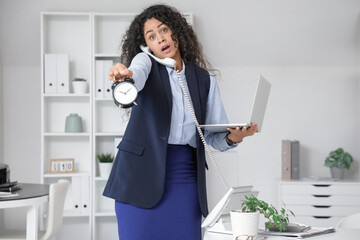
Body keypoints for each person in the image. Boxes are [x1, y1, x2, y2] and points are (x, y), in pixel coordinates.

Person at [103, 4, 258, 240]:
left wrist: (234, 137)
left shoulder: (204, 80)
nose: (160, 38)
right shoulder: (144, 62)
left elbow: (214, 135)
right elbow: (136, 73)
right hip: (138, 176)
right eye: (151, 36)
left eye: (163, 30)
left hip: (184, 176)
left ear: (177, 31)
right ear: (147, 45)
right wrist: (125, 75)